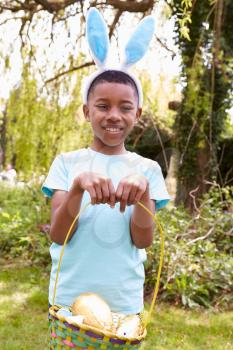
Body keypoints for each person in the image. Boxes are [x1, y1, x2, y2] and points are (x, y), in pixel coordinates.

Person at [42, 8, 170, 315]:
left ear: (137, 115)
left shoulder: (148, 170)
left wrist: (141, 194)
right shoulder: (66, 163)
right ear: (87, 112)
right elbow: (60, 235)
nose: (114, 115)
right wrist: (76, 188)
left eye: (125, 107)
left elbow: (142, 240)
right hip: (70, 301)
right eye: (102, 105)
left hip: (124, 303)